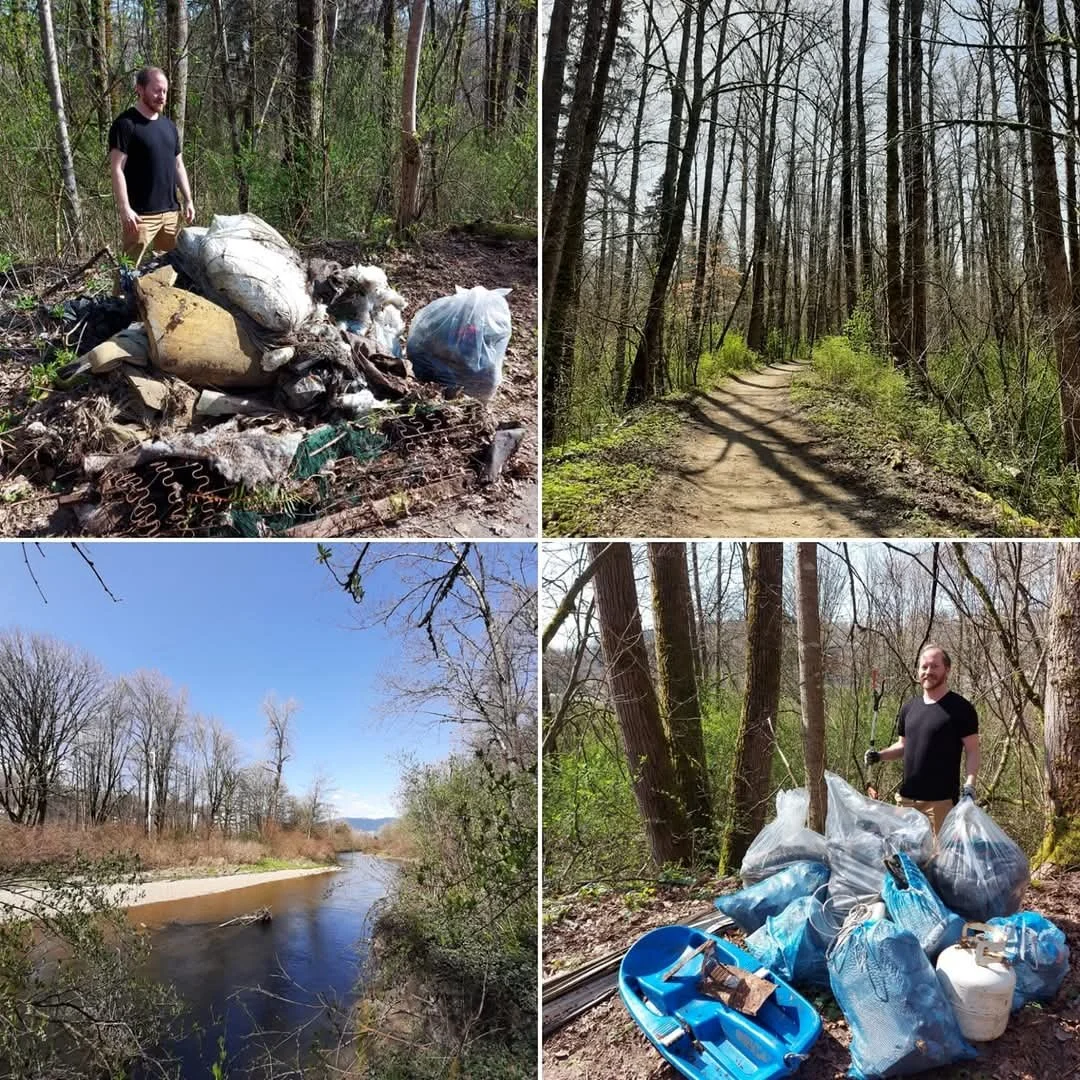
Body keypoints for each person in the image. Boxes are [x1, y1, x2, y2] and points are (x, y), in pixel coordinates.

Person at [864, 644, 980, 835]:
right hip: (905, 802)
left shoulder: (961, 708)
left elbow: (973, 750)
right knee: (904, 858)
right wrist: (879, 756)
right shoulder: (909, 708)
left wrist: (970, 785)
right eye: (924, 667)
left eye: (934, 666)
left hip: (940, 805)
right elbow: (903, 746)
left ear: (947, 670)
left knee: (937, 861)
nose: (928, 671)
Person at [108, 67, 195, 265]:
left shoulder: (169, 127)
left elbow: (178, 165)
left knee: (170, 271)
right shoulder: (125, 125)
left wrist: (188, 200)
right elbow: (116, 169)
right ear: (140, 89)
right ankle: (120, 298)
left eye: (164, 91)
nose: (162, 96)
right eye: (156, 90)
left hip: (171, 214)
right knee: (127, 272)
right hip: (140, 217)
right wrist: (125, 209)